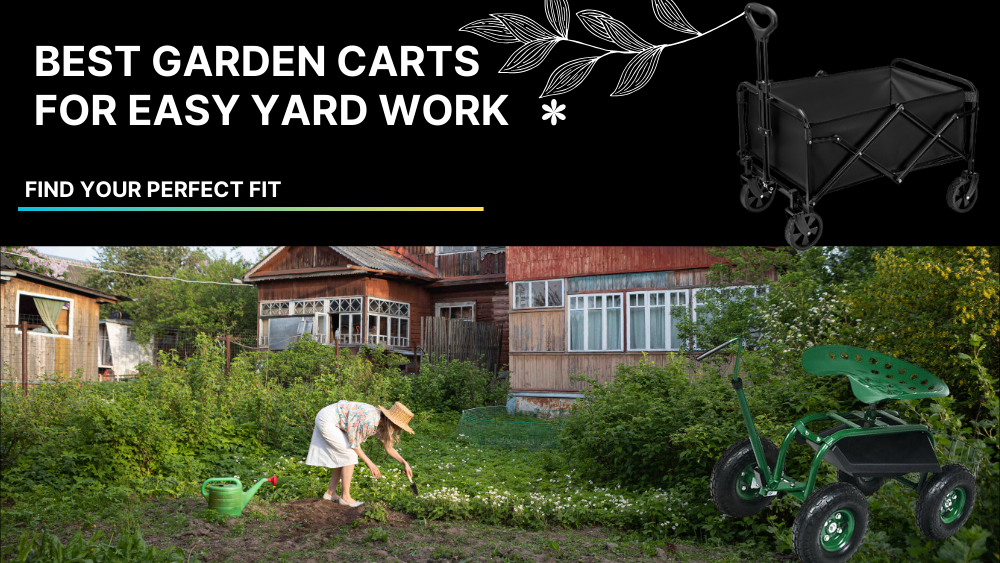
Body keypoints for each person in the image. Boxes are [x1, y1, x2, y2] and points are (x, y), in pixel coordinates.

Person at [305, 400, 414, 507]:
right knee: (349, 454)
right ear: (393, 422)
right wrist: (370, 464)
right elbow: (354, 445)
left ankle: (330, 493)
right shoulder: (370, 420)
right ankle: (345, 498)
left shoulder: (382, 422)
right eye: (399, 426)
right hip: (327, 419)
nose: (399, 429)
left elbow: (389, 448)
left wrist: (404, 463)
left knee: (343, 455)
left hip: (335, 419)